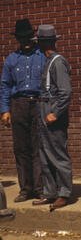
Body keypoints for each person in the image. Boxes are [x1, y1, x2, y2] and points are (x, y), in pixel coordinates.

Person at [0, 19, 46, 202]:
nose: (25, 41)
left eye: (28, 37)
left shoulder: (42, 56)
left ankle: (39, 188)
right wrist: (5, 110)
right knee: (21, 148)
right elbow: (5, 86)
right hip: (18, 104)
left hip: (37, 103)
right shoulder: (11, 59)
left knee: (38, 146)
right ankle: (25, 189)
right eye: (21, 38)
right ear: (17, 39)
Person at [31, 25, 73, 211]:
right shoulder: (48, 61)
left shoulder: (58, 62)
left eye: (40, 41)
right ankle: (50, 192)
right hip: (43, 107)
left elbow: (65, 92)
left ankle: (64, 192)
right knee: (45, 153)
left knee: (57, 152)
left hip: (52, 109)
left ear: (45, 42)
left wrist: (55, 112)